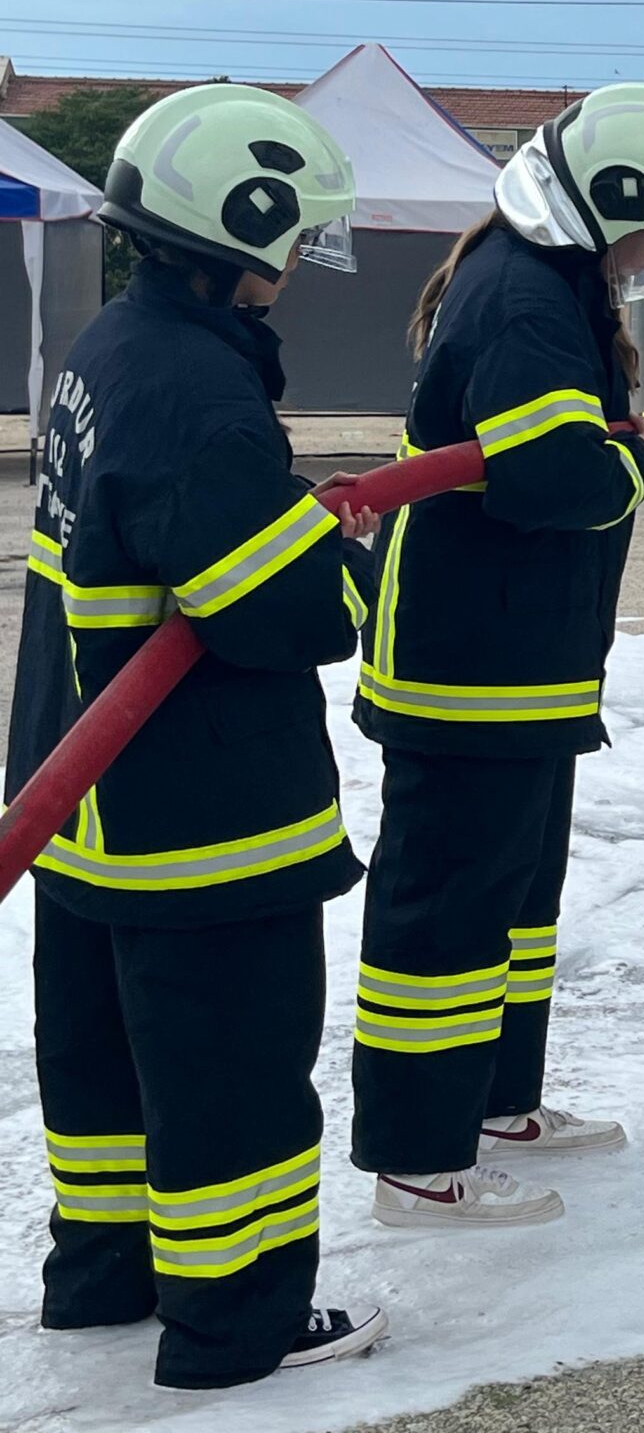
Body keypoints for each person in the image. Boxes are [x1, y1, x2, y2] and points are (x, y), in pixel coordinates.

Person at [348, 82, 644, 1229]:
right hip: (466, 663)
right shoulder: (521, 303)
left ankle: (495, 1104)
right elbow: (560, 477)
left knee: (512, 900)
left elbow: (596, 453)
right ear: (609, 200)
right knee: (445, 909)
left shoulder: (548, 286)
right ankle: (417, 1154)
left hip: (524, 657)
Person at [4, 86, 388, 1387]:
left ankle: (103, 1278)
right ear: (247, 224)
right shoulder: (197, 395)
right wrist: (352, 563)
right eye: (293, 234)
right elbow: (281, 610)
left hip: (95, 811)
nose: (298, 261)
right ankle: (242, 1323)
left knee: (107, 1073)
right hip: (202, 825)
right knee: (233, 1081)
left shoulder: (113, 344)